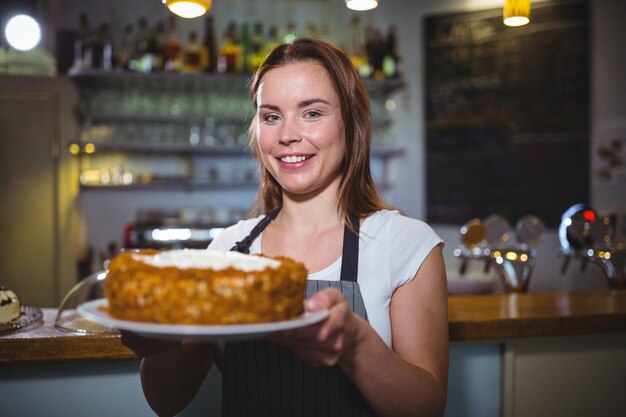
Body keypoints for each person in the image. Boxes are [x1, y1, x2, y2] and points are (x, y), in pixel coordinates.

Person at [122, 37, 448, 417]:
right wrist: (159, 346)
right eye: (271, 116)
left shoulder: (406, 244)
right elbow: (167, 401)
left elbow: (427, 409)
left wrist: (354, 343)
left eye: (311, 113)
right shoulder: (227, 251)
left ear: (352, 122)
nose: (286, 135)